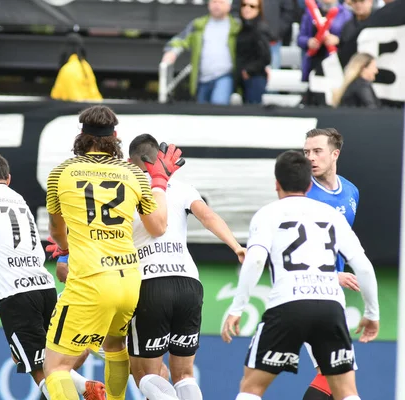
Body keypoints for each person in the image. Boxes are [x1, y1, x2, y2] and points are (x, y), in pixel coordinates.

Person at [44, 105, 184, 400]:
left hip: (91, 280)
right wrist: (159, 182)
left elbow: (57, 233)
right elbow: (158, 226)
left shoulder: (61, 174)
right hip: (128, 280)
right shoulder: (133, 172)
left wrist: (67, 247)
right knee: (114, 346)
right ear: (116, 137)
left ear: (81, 136)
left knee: (55, 366)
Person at [221, 150, 380, 400]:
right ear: (309, 184)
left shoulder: (267, 214)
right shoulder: (332, 215)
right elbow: (363, 266)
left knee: (251, 388)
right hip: (330, 307)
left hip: (288, 305)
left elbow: (256, 259)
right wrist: (372, 313)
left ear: (276, 184)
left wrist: (237, 307)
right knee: (347, 392)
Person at [0, 154, 104, 400]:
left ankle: (86, 388)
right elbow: (36, 250)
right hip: (44, 287)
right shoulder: (19, 198)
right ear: (8, 179)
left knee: (40, 370)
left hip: (16, 295)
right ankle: (86, 387)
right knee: (48, 361)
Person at [127, 134, 246, 400]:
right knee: (184, 374)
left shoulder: (126, 189)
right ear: (160, 158)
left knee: (147, 374)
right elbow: (208, 216)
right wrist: (236, 246)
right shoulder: (180, 187)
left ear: (128, 161)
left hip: (150, 283)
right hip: (189, 284)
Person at [302, 128, 361, 400]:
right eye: (306, 152)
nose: (310, 158)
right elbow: (294, 249)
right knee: (337, 375)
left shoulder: (351, 192)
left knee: (339, 379)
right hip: (307, 289)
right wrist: (332, 275)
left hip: (331, 293)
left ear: (335, 154)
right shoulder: (300, 193)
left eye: (317, 151)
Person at [162, 0, 241, 105]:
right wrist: (172, 51)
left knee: (218, 107)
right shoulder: (198, 25)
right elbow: (181, 39)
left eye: (221, 2)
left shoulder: (236, 26)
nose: (217, 5)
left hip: (224, 75)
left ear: (228, 6)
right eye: (214, 2)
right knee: (202, 111)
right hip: (202, 78)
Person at [235, 0, 272, 104]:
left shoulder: (260, 28)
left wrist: (249, 70)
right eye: (244, 5)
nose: (247, 8)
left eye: (252, 6)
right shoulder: (241, 28)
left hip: (255, 77)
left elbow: (266, 57)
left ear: (259, 10)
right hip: (243, 78)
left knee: (253, 110)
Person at [50, 33, 103, 102]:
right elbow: (95, 95)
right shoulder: (86, 67)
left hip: (74, 110)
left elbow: (55, 95)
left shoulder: (66, 69)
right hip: (89, 109)